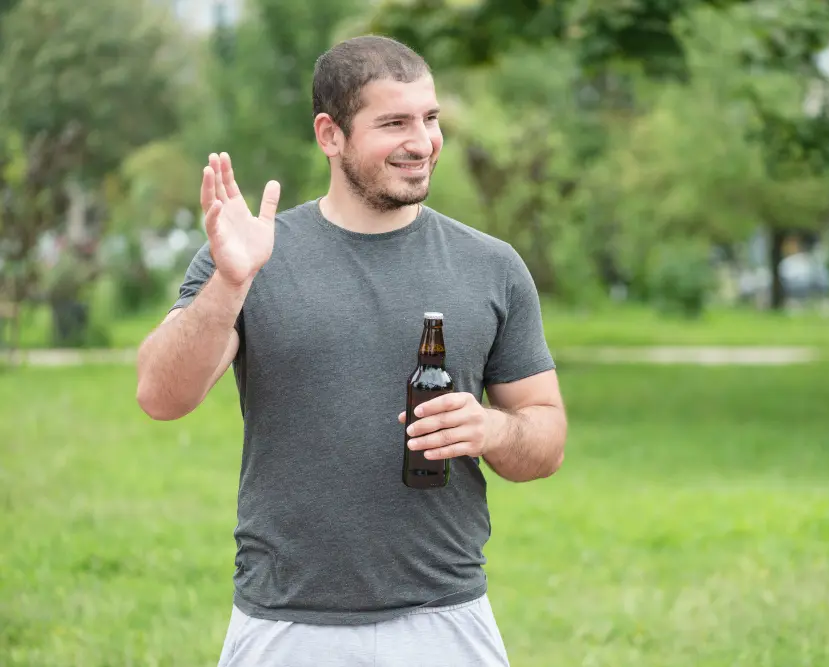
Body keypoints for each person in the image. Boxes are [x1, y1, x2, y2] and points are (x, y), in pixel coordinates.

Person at [135, 34, 568, 667]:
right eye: (394, 122)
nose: (421, 142)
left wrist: (493, 431)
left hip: (445, 620)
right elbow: (160, 396)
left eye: (429, 118)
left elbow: (547, 439)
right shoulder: (252, 255)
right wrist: (231, 281)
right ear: (329, 134)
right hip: (284, 622)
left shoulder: (492, 266)